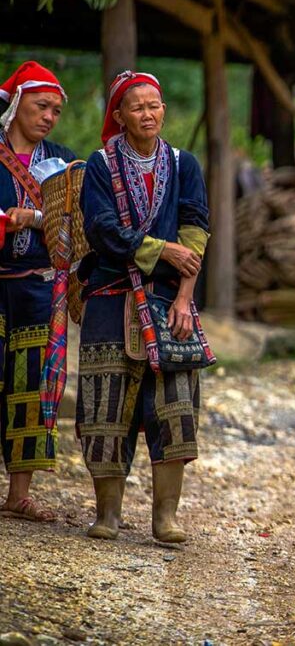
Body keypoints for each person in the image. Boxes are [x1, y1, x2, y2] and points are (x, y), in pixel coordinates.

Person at [77, 70, 209, 542]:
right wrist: (160, 250)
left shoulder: (183, 164)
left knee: (174, 405)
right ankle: (107, 514)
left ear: (164, 111)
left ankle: (165, 517)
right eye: (137, 107)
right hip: (111, 295)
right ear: (119, 116)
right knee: (105, 402)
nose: (148, 113)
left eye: (154, 105)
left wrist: (184, 296)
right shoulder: (100, 165)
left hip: (169, 299)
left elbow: (195, 229)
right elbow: (102, 229)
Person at [0, 61, 75, 522]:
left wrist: (37, 219)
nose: (48, 116)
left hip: (36, 289)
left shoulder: (63, 160)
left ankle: (18, 494)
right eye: (41, 105)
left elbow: (75, 221)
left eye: (56, 110)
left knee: (30, 384)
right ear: (16, 105)